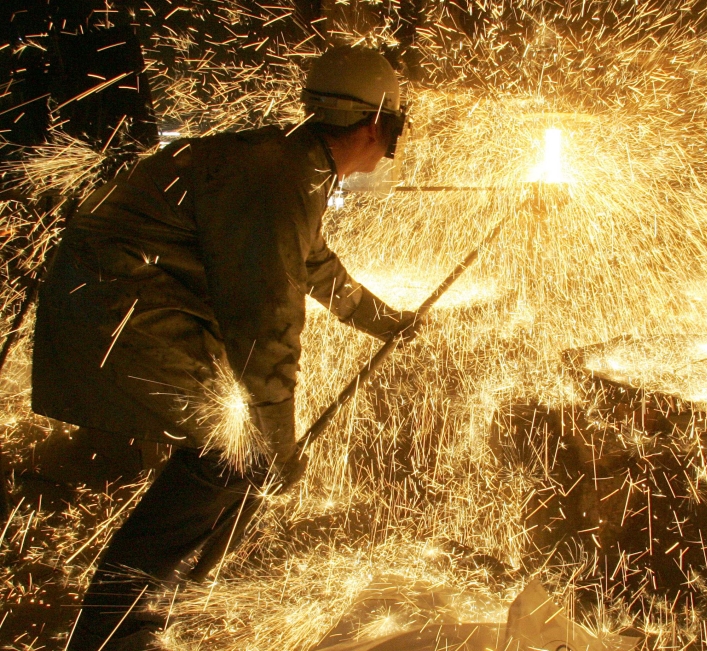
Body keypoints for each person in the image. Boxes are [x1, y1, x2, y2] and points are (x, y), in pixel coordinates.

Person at [29, 46, 417, 651]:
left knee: (230, 457)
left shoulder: (293, 162)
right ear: (377, 125)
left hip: (121, 298)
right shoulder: (281, 176)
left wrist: (383, 321)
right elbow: (265, 324)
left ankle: (139, 615)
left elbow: (310, 260)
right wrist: (277, 443)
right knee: (229, 453)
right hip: (119, 306)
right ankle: (118, 632)